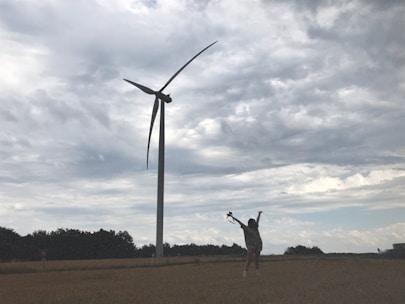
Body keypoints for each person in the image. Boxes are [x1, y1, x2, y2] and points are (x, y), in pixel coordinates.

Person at [227, 211, 263, 277]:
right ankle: (245, 272)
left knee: (257, 259)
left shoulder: (256, 227)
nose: (255, 222)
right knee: (249, 259)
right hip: (250, 245)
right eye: (253, 222)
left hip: (258, 244)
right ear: (251, 223)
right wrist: (232, 217)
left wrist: (259, 214)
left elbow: (258, 220)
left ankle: (257, 272)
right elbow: (239, 221)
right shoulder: (246, 228)